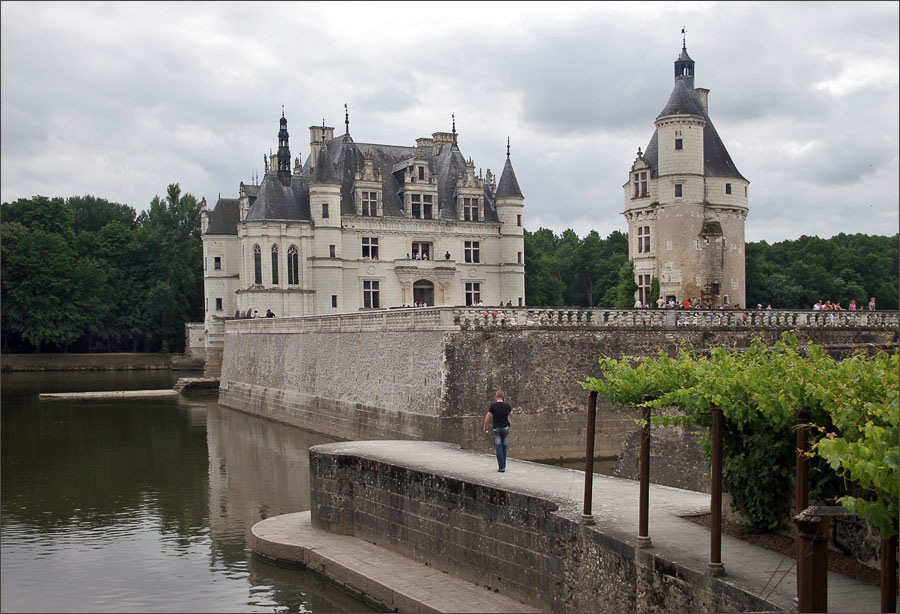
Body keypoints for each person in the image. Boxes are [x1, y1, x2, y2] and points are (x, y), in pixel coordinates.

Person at [482, 389, 512, 472]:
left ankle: (501, 467)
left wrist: (485, 426)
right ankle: (504, 466)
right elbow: (511, 414)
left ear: (496, 397)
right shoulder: (507, 405)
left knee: (498, 447)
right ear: (503, 397)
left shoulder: (493, 406)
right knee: (504, 447)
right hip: (505, 428)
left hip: (497, 429)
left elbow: (488, 417)